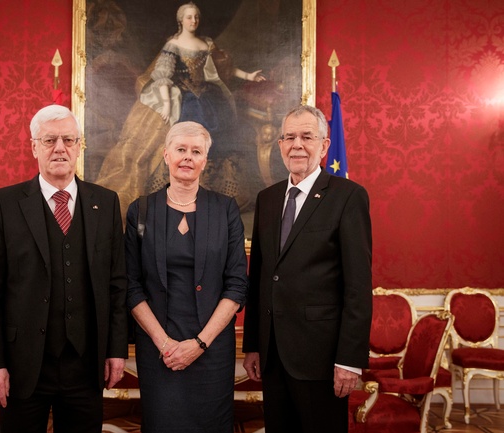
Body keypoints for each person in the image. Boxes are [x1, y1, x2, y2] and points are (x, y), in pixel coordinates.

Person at [0, 104, 128, 433]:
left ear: (79, 146)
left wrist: (116, 351)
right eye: (50, 140)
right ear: (33, 147)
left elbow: (116, 286)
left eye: (69, 140)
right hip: (22, 366)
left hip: (86, 367)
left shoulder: (107, 202)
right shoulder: (3, 203)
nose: (60, 148)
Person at [242, 105, 372, 433]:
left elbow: (357, 285)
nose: (296, 144)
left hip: (322, 359)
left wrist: (348, 360)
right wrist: (254, 345)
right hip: (273, 357)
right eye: (289, 137)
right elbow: (259, 275)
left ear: (324, 146)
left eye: (306, 137)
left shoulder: (348, 196)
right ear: (280, 144)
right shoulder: (268, 199)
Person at [125, 121, 248, 433]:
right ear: (166, 154)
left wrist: (199, 344)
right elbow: (131, 285)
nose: (187, 157)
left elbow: (236, 285)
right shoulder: (140, 210)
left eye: (196, 151)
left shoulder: (225, 209)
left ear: (205, 160)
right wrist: (165, 343)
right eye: (181, 149)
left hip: (211, 352)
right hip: (158, 352)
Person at [96, 2, 265, 217]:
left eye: (196, 17)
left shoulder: (206, 44)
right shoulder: (173, 45)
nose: (193, 21)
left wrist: (249, 76)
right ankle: (178, 193)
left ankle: (210, 192)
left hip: (208, 97)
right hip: (183, 98)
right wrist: (167, 105)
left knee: (219, 136)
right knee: (185, 134)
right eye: (188, 17)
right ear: (180, 20)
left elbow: (223, 70)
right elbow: (164, 76)